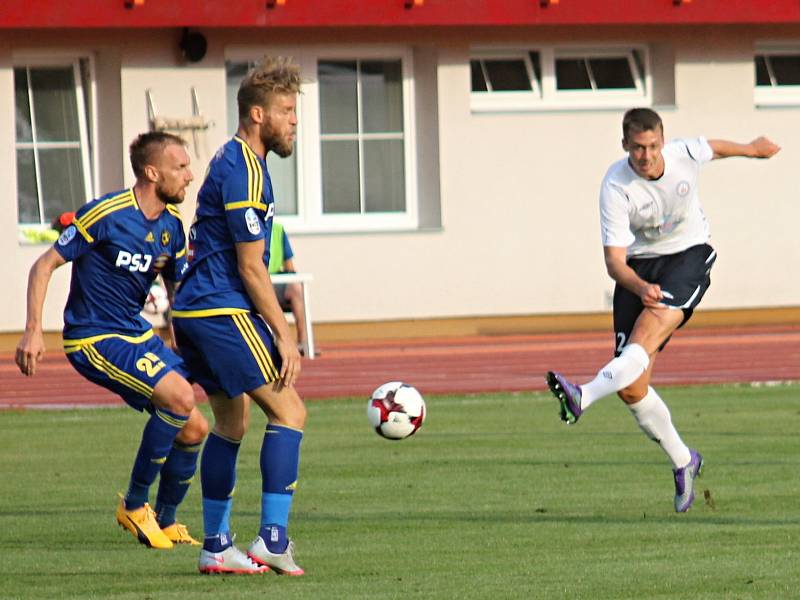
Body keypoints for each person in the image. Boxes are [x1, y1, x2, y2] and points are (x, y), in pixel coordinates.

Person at [546, 108, 780, 512]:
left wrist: (752, 150)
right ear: (625, 146)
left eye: (653, 146)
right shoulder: (615, 186)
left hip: (688, 256)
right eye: (638, 147)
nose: (647, 155)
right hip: (638, 270)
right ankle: (684, 460)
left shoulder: (682, 154)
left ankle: (582, 395)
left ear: (663, 141)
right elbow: (613, 263)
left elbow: (714, 148)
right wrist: (640, 286)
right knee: (631, 386)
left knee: (648, 331)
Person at [15, 131, 209, 549]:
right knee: (178, 399)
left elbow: (179, 296)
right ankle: (135, 505)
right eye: (181, 167)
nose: (190, 176)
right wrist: (34, 330)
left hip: (135, 332)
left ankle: (167, 520)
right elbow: (43, 265)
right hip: (92, 336)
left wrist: (184, 344)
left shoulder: (173, 229)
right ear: (152, 172)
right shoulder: (106, 213)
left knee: (195, 427)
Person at [171, 56, 306, 575]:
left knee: (231, 423)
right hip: (220, 308)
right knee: (290, 411)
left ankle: (216, 545)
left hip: (194, 311)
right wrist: (285, 332)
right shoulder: (245, 171)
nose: (294, 120)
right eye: (287, 110)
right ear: (257, 114)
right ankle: (272, 539)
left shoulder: (234, 162)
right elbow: (251, 268)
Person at [269, 221, 312, 356]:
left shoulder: (277, 229)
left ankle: (302, 343)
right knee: (266, 289)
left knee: (296, 289)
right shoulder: (248, 226)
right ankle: (276, 343)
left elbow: (289, 266)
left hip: (277, 280)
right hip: (259, 282)